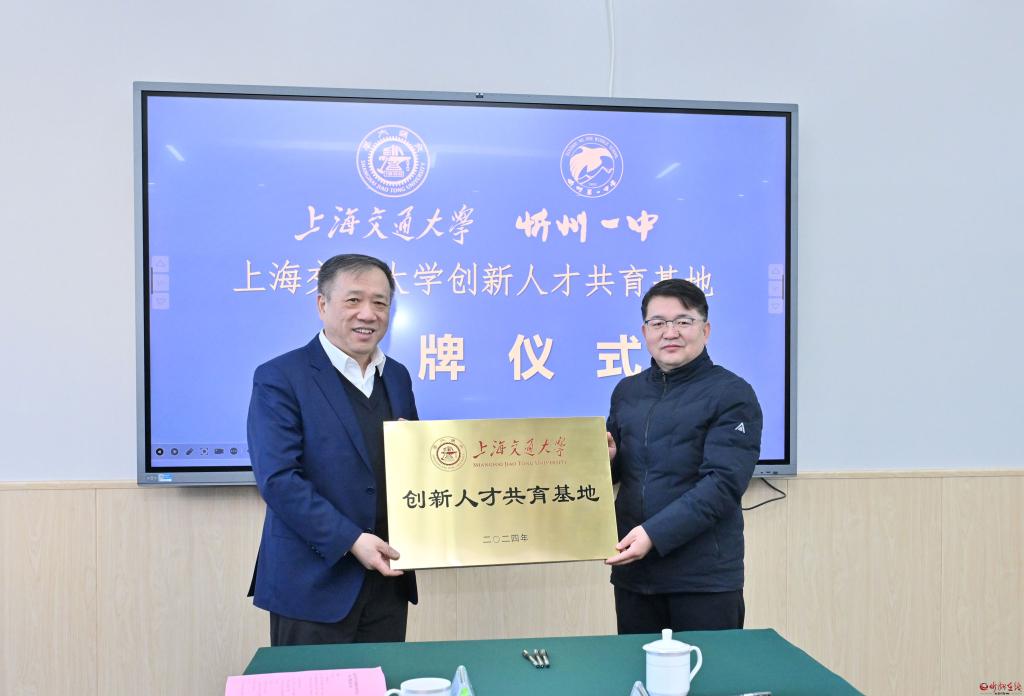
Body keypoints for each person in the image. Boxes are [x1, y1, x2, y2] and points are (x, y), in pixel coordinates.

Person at [247, 253, 418, 646]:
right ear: (322, 305)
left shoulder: (397, 376)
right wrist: (352, 540)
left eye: (380, 302)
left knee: (384, 678)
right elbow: (279, 480)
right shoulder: (280, 377)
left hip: (387, 579)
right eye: (353, 300)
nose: (368, 314)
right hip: (311, 584)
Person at [604, 278, 762, 633]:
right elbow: (622, 475)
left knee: (710, 669)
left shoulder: (732, 394)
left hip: (702, 579)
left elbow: (722, 484)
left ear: (705, 330)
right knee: (636, 668)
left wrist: (653, 534)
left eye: (683, 321)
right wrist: (610, 459)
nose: (670, 332)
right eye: (658, 322)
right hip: (635, 576)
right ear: (645, 332)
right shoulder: (627, 392)